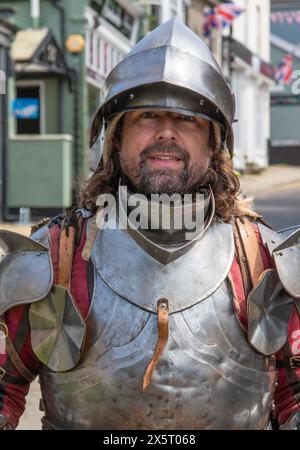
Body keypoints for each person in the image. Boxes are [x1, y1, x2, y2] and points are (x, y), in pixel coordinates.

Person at [0, 18, 300, 431]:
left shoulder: (261, 258)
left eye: (188, 119)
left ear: (214, 142)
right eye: (146, 115)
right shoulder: (56, 256)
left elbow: (291, 393)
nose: (166, 132)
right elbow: (6, 388)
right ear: (116, 137)